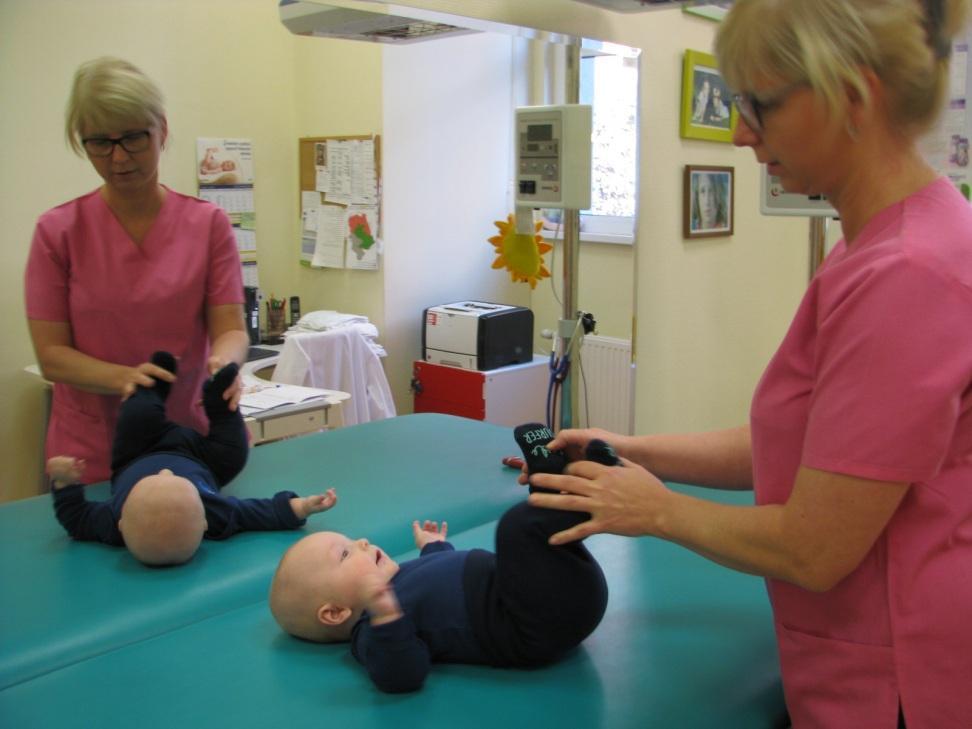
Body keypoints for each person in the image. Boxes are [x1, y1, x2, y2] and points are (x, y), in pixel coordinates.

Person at [525, 1, 972, 727]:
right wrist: (633, 451)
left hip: (897, 681)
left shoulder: (907, 272)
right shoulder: (881, 243)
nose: (739, 133)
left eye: (757, 105)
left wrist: (654, 510)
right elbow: (814, 447)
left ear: (851, 97)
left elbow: (815, 547)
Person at [25, 57, 249, 486]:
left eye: (133, 139)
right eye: (99, 143)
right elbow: (52, 356)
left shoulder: (207, 225)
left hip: (187, 443)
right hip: (90, 453)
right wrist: (124, 378)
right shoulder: (58, 232)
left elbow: (232, 330)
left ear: (161, 130)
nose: (118, 158)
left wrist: (226, 364)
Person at [268, 423, 610, 693]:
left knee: (538, 541)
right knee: (516, 529)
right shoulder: (371, 633)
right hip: (530, 623)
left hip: (542, 593)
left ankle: (558, 485)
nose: (360, 542)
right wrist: (386, 616)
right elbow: (402, 675)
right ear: (335, 612)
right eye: (343, 553)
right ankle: (580, 490)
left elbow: (439, 573)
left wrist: (432, 546)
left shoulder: (400, 576)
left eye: (350, 540)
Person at [48, 351, 336, 566]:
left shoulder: (112, 521)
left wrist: (63, 482)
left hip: (137, 451)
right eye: (175, 481)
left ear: (122, 523)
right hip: (204, 460)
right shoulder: (213, 510)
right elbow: (255, 513)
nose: (165, 473)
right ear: (205, 522)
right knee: (234, 451)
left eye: (153, 481)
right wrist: (300, 507)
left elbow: (76, 518)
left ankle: (153, 386)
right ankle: (219, 403)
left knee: (138, 414)